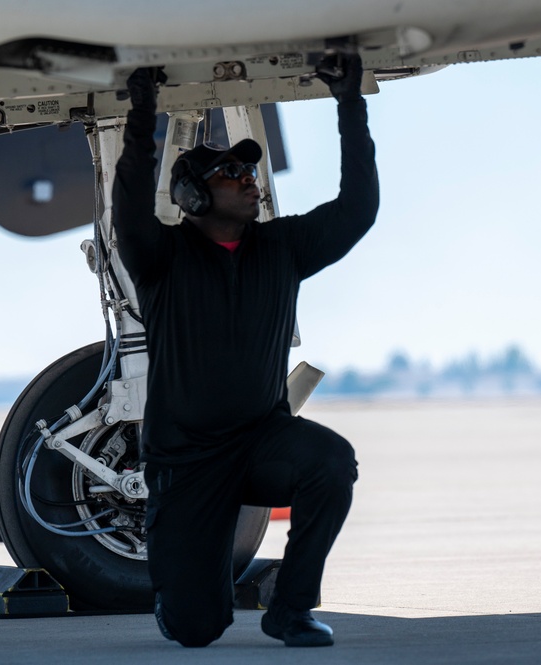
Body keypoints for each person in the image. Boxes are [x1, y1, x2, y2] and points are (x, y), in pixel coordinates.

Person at [112, 55, 379, 649]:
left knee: (332, 462)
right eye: (232, 172)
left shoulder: (281, 247)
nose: (248, 178)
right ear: (194, 196)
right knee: (196, 630)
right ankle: (180, 593)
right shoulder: (161, 259)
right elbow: (128, 205)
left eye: (248, 170)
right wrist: (142, 114)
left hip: (261, 441)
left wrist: (349, 104)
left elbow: (357, 210)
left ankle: (290, 609)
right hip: (186, 463)